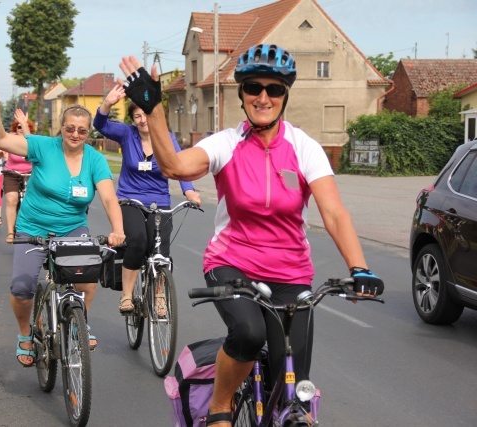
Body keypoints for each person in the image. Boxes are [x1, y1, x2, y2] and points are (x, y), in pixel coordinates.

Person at [116, 45, 385, 426]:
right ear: (241, 94)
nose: (263, 97)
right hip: (232, 264)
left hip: (291, 273)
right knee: (247, 332)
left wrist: (359, 268)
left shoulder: (304, 147)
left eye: (274, 89)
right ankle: (220, 405)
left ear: (285, 96)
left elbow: (334, 212)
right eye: (254, 87)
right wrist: (155, 108)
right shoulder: (226, 143)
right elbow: (174, 166)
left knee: (291, 383)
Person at [0, 83, 126, 365]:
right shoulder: (43, 146)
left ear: (88, 132)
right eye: (70, 129)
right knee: (22, 286)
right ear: (61, 128)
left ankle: (81, 322)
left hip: (72, 228)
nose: (75, 134)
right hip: (33, 227)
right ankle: (24, 333)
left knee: (88, 278)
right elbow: (1, 140)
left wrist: (118, 229)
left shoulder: (95, 159)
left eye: (81, 130)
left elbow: (109, 199)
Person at [94, 87, 201, 314]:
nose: (143, 121)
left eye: (146, 115)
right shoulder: (126, 134)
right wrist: (107, 103)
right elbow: (100, 125)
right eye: (137, 116)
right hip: (129, 200)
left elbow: (179, 165)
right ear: (133, 120)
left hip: (159, 200)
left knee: (161, 251)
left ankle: (159, 295)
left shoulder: (167, 138)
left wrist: (189, 191)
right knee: (138, 242)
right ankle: (127, 295)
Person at [2, 110, 35, 244]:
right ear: (15, 128)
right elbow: (2, 146)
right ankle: (11, 232)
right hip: (12, 173)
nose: (21, 129)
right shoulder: (11, 139)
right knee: (12, 199)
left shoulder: (33, 140)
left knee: (35, 201)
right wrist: (0, 153)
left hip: (31, 173)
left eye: (24, 126)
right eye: (19, 126)